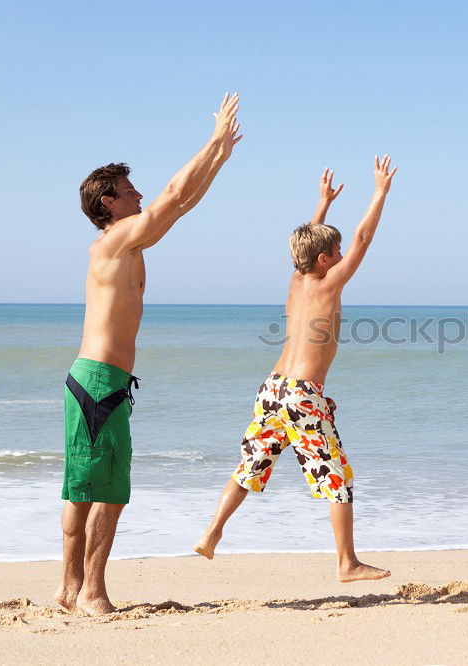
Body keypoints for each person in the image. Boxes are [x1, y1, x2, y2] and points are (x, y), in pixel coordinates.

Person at [57, 94, 243, 615]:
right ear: (108, 204)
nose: (138, 193)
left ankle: (68, 588)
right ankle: (89, 591)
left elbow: (178, 204)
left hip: (95, 380)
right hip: (98, 382)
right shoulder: (115, 243)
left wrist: (219, 158)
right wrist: (210, 143)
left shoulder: (127, 244)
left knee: (81, 488)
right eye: (127, 189)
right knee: (107, 491)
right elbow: (169, 196)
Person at [194, 157, 397, 583]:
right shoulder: (328, 283)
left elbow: (304, 245)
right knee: (336, 477)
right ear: (325, 260)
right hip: (303, 394)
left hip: (272, 389)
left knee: (249, 466)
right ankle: (347, 564)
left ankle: (212, 533)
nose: (343, 258)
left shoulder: (297, 279)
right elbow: (362, 237)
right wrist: (379, 192)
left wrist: (321, 204)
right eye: (335, 254)